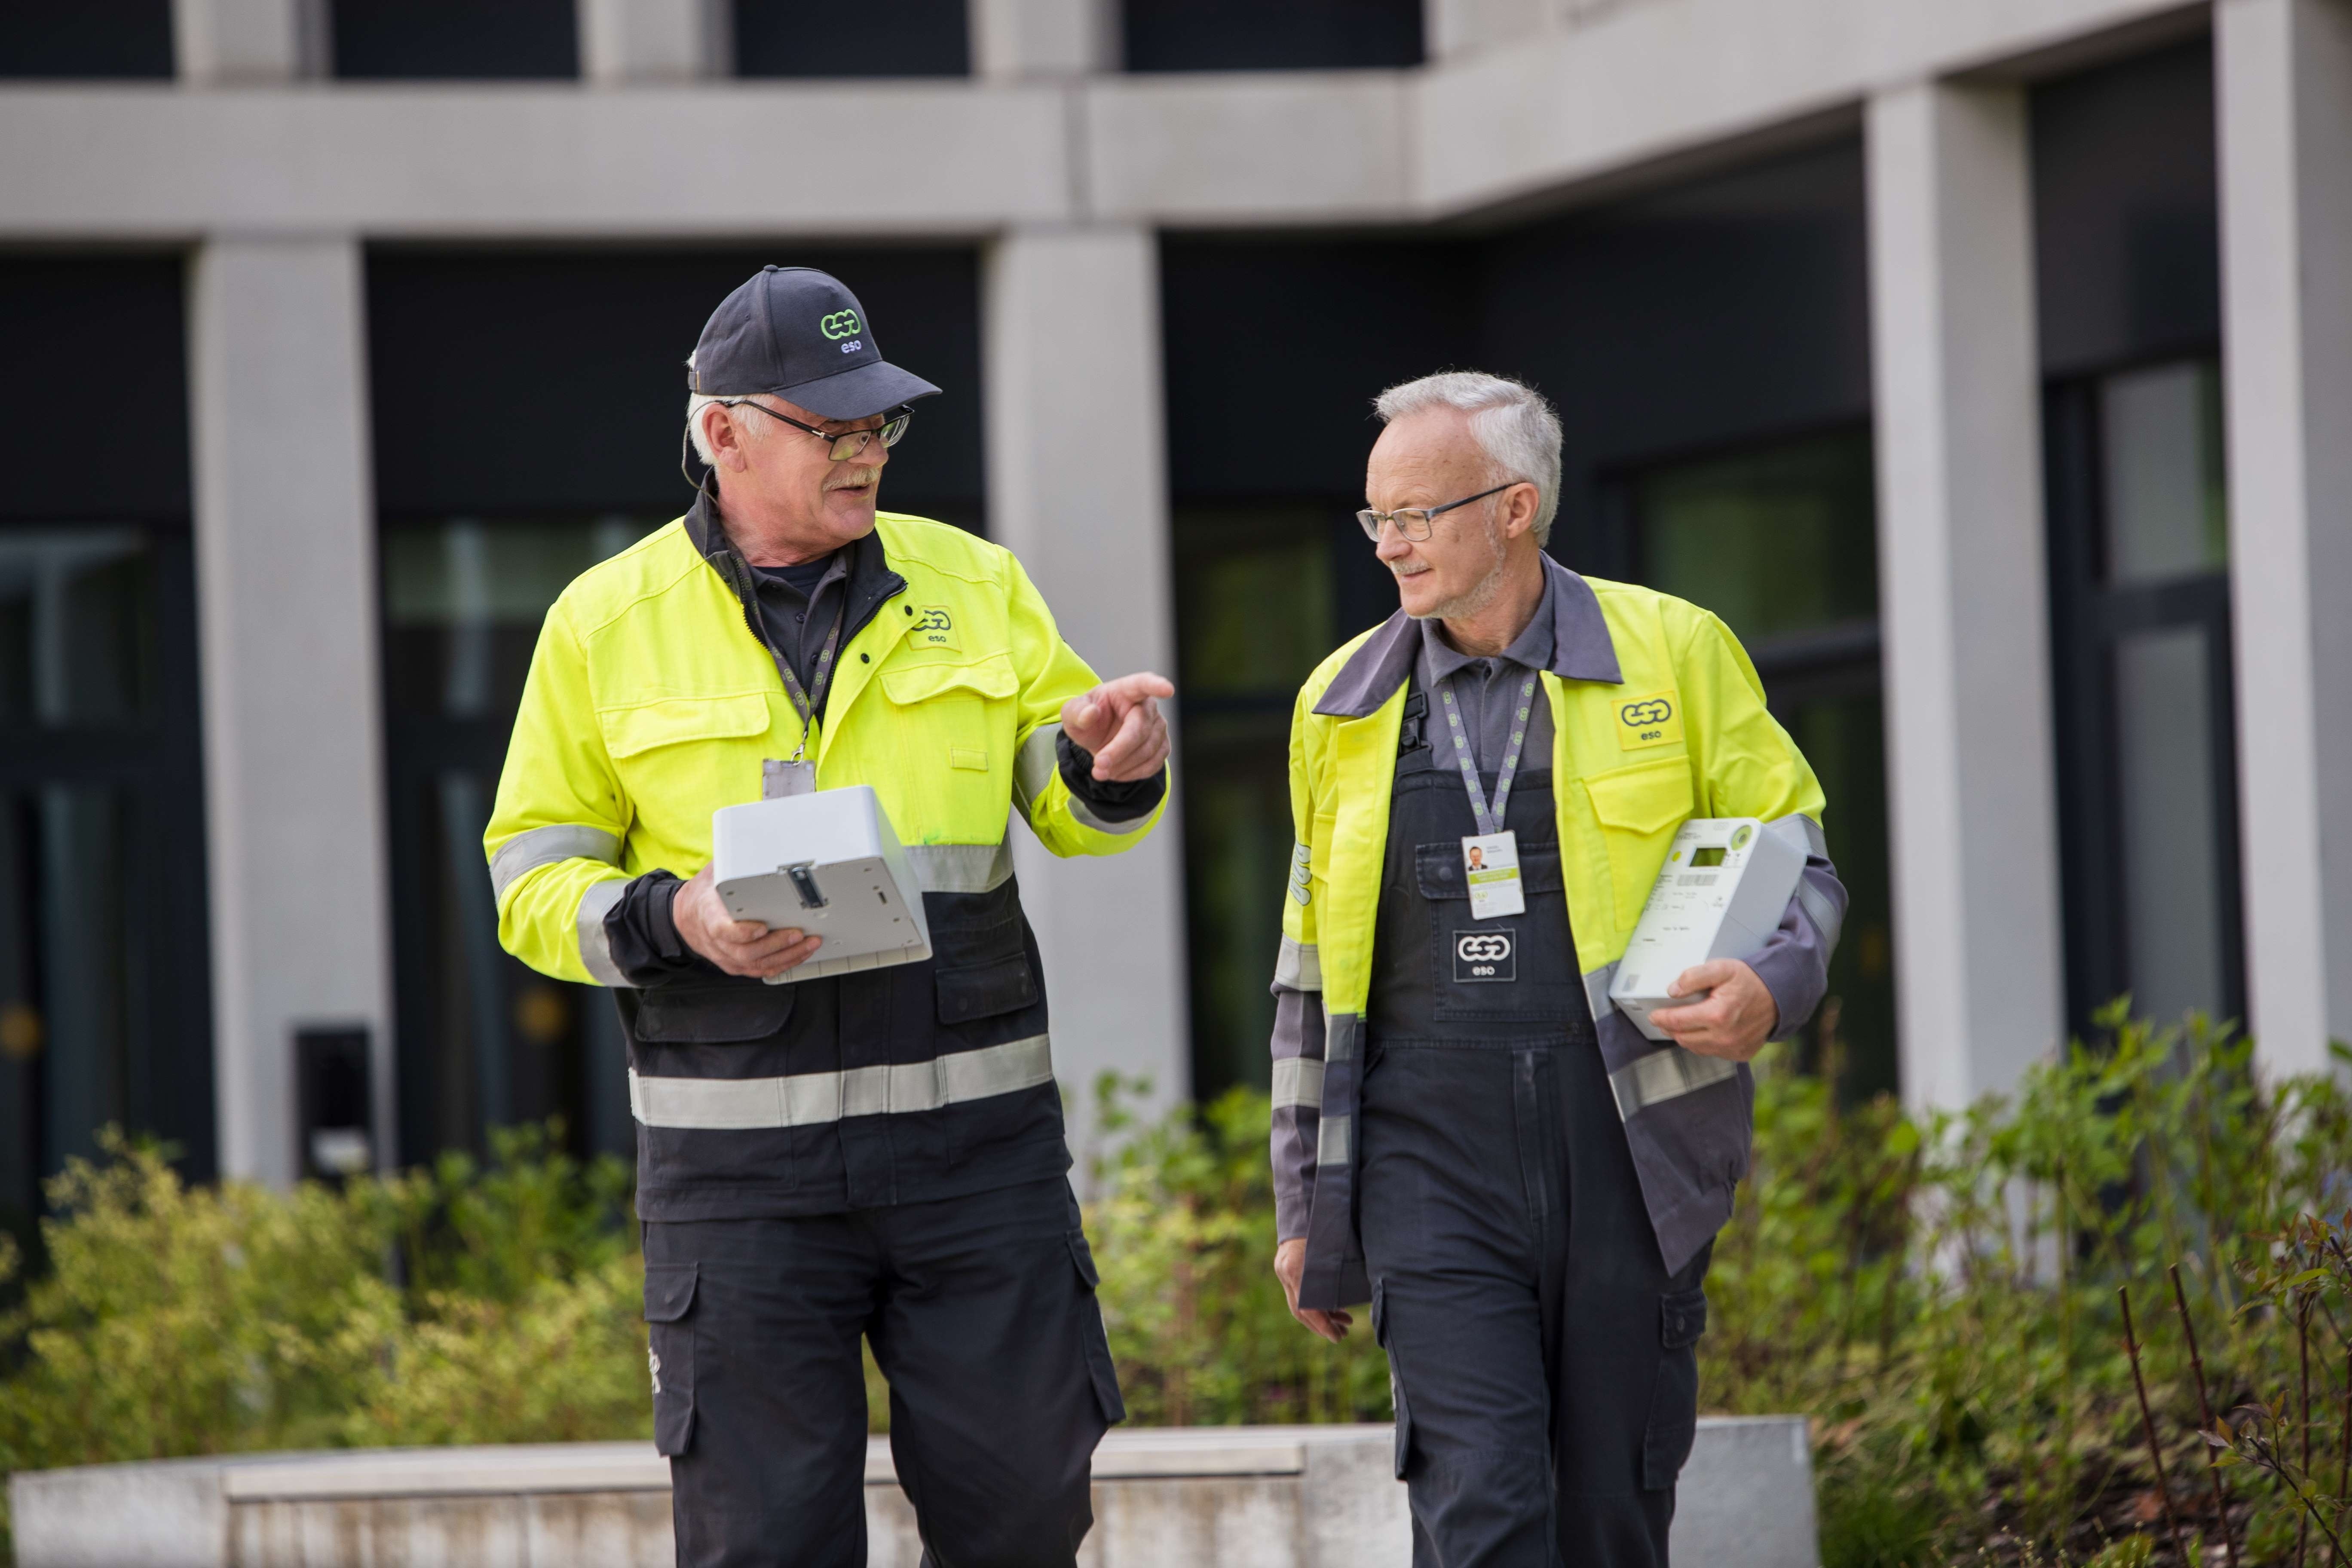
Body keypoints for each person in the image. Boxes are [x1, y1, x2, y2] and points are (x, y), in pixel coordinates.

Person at [487, 265, 1171, 1568]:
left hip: (977, 1160)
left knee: (1028, 1514)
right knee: (766, 1543)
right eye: (831, 427)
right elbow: (531, 883)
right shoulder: (602, 625)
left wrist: (1109, 764)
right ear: (724, 430)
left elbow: (1069, 795)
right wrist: (676, 917)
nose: (865, 453)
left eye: (879, 425)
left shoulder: (976, 584)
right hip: (740, 1185)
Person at [1267, 371, 1846, 1565]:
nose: (1390, 547)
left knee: (1613, 1519)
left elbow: (1802, 866)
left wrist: (1769, 987)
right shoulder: (1339, 701)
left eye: (1417, 515)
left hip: (1628, 1143)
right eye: (1377, 518)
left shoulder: (1677, 654)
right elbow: (1306, 975)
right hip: (1428, 1155)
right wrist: (1301, 1205)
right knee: (1480, 1508)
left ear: (1516, 507)